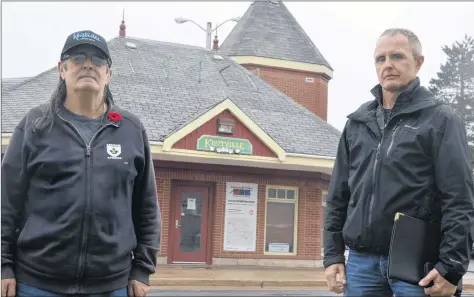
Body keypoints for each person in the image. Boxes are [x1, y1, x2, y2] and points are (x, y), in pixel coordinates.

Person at [1, 30, 161, 297]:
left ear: (108, 74)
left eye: (98, 60)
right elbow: (6, 202)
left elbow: (146, 207)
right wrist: (3, 265)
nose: (88, 64)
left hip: (112, 285)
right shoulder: (34, 126)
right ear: (61, 69)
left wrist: (143, 269)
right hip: (36, 283)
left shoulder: (130, 130)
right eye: (77, 57)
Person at [323, 28, 474, 297]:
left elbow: (459, 198)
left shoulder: (440, 119)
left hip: (418, 265)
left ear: (418, 62)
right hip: (361, 264)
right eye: (380, 59)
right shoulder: (357, 123)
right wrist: (333, 256)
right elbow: (338, 196)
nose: (387, 65)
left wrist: (452, 267)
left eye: (397, 56)